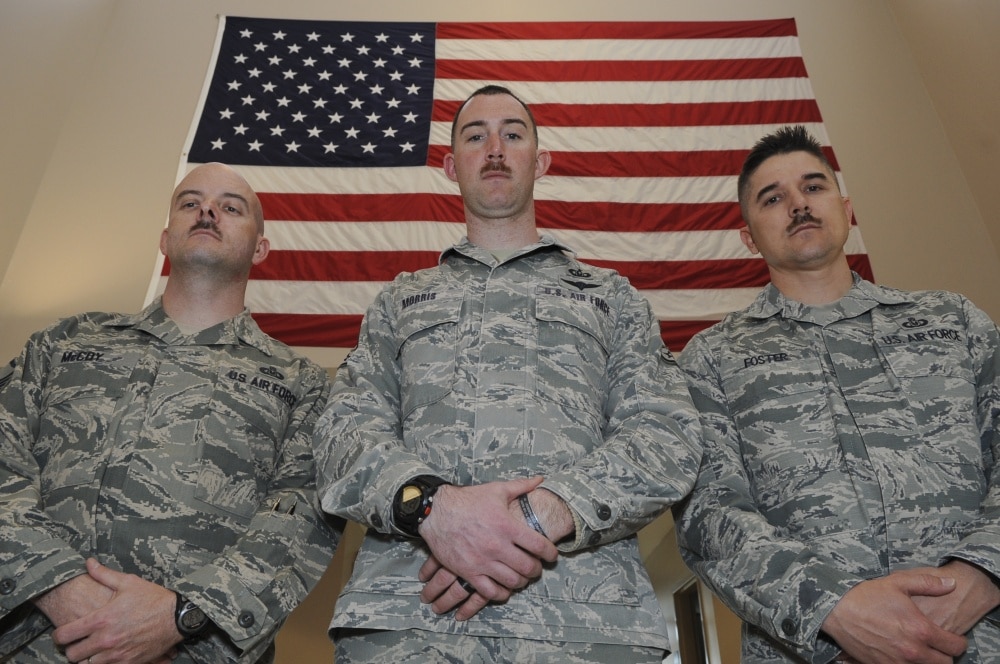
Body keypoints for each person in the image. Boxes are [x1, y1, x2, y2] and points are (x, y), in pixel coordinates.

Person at [312, 85, 702, 663]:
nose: (495, 148)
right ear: (451, 166)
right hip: (410, 619)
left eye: (512, 134)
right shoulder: (400, 301)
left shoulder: (613, 298)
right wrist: (433, 509)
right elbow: (342, 431)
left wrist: (537, 515)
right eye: (476, 136)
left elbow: (666, 433)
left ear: (539, 161)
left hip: (586, 623)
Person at [674, 125, 1000, 663]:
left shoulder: (953, 321)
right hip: (814, 649)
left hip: (978, 639)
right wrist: (833, 608)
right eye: (773, 198)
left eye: (813, 187)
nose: (798, 205)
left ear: (846, 209)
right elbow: (708, 514)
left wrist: (982, 575)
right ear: (749, 237)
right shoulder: (710, 360)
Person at [0, 162, 341, 664]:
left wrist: (182, 616)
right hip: (38, 644)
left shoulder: (303, 384)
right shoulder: (65, 343)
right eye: (190, 202)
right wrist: (63, 591)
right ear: (165, 239)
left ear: (260, 248)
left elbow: (301, 517)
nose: (206, 211)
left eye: (231, 207)